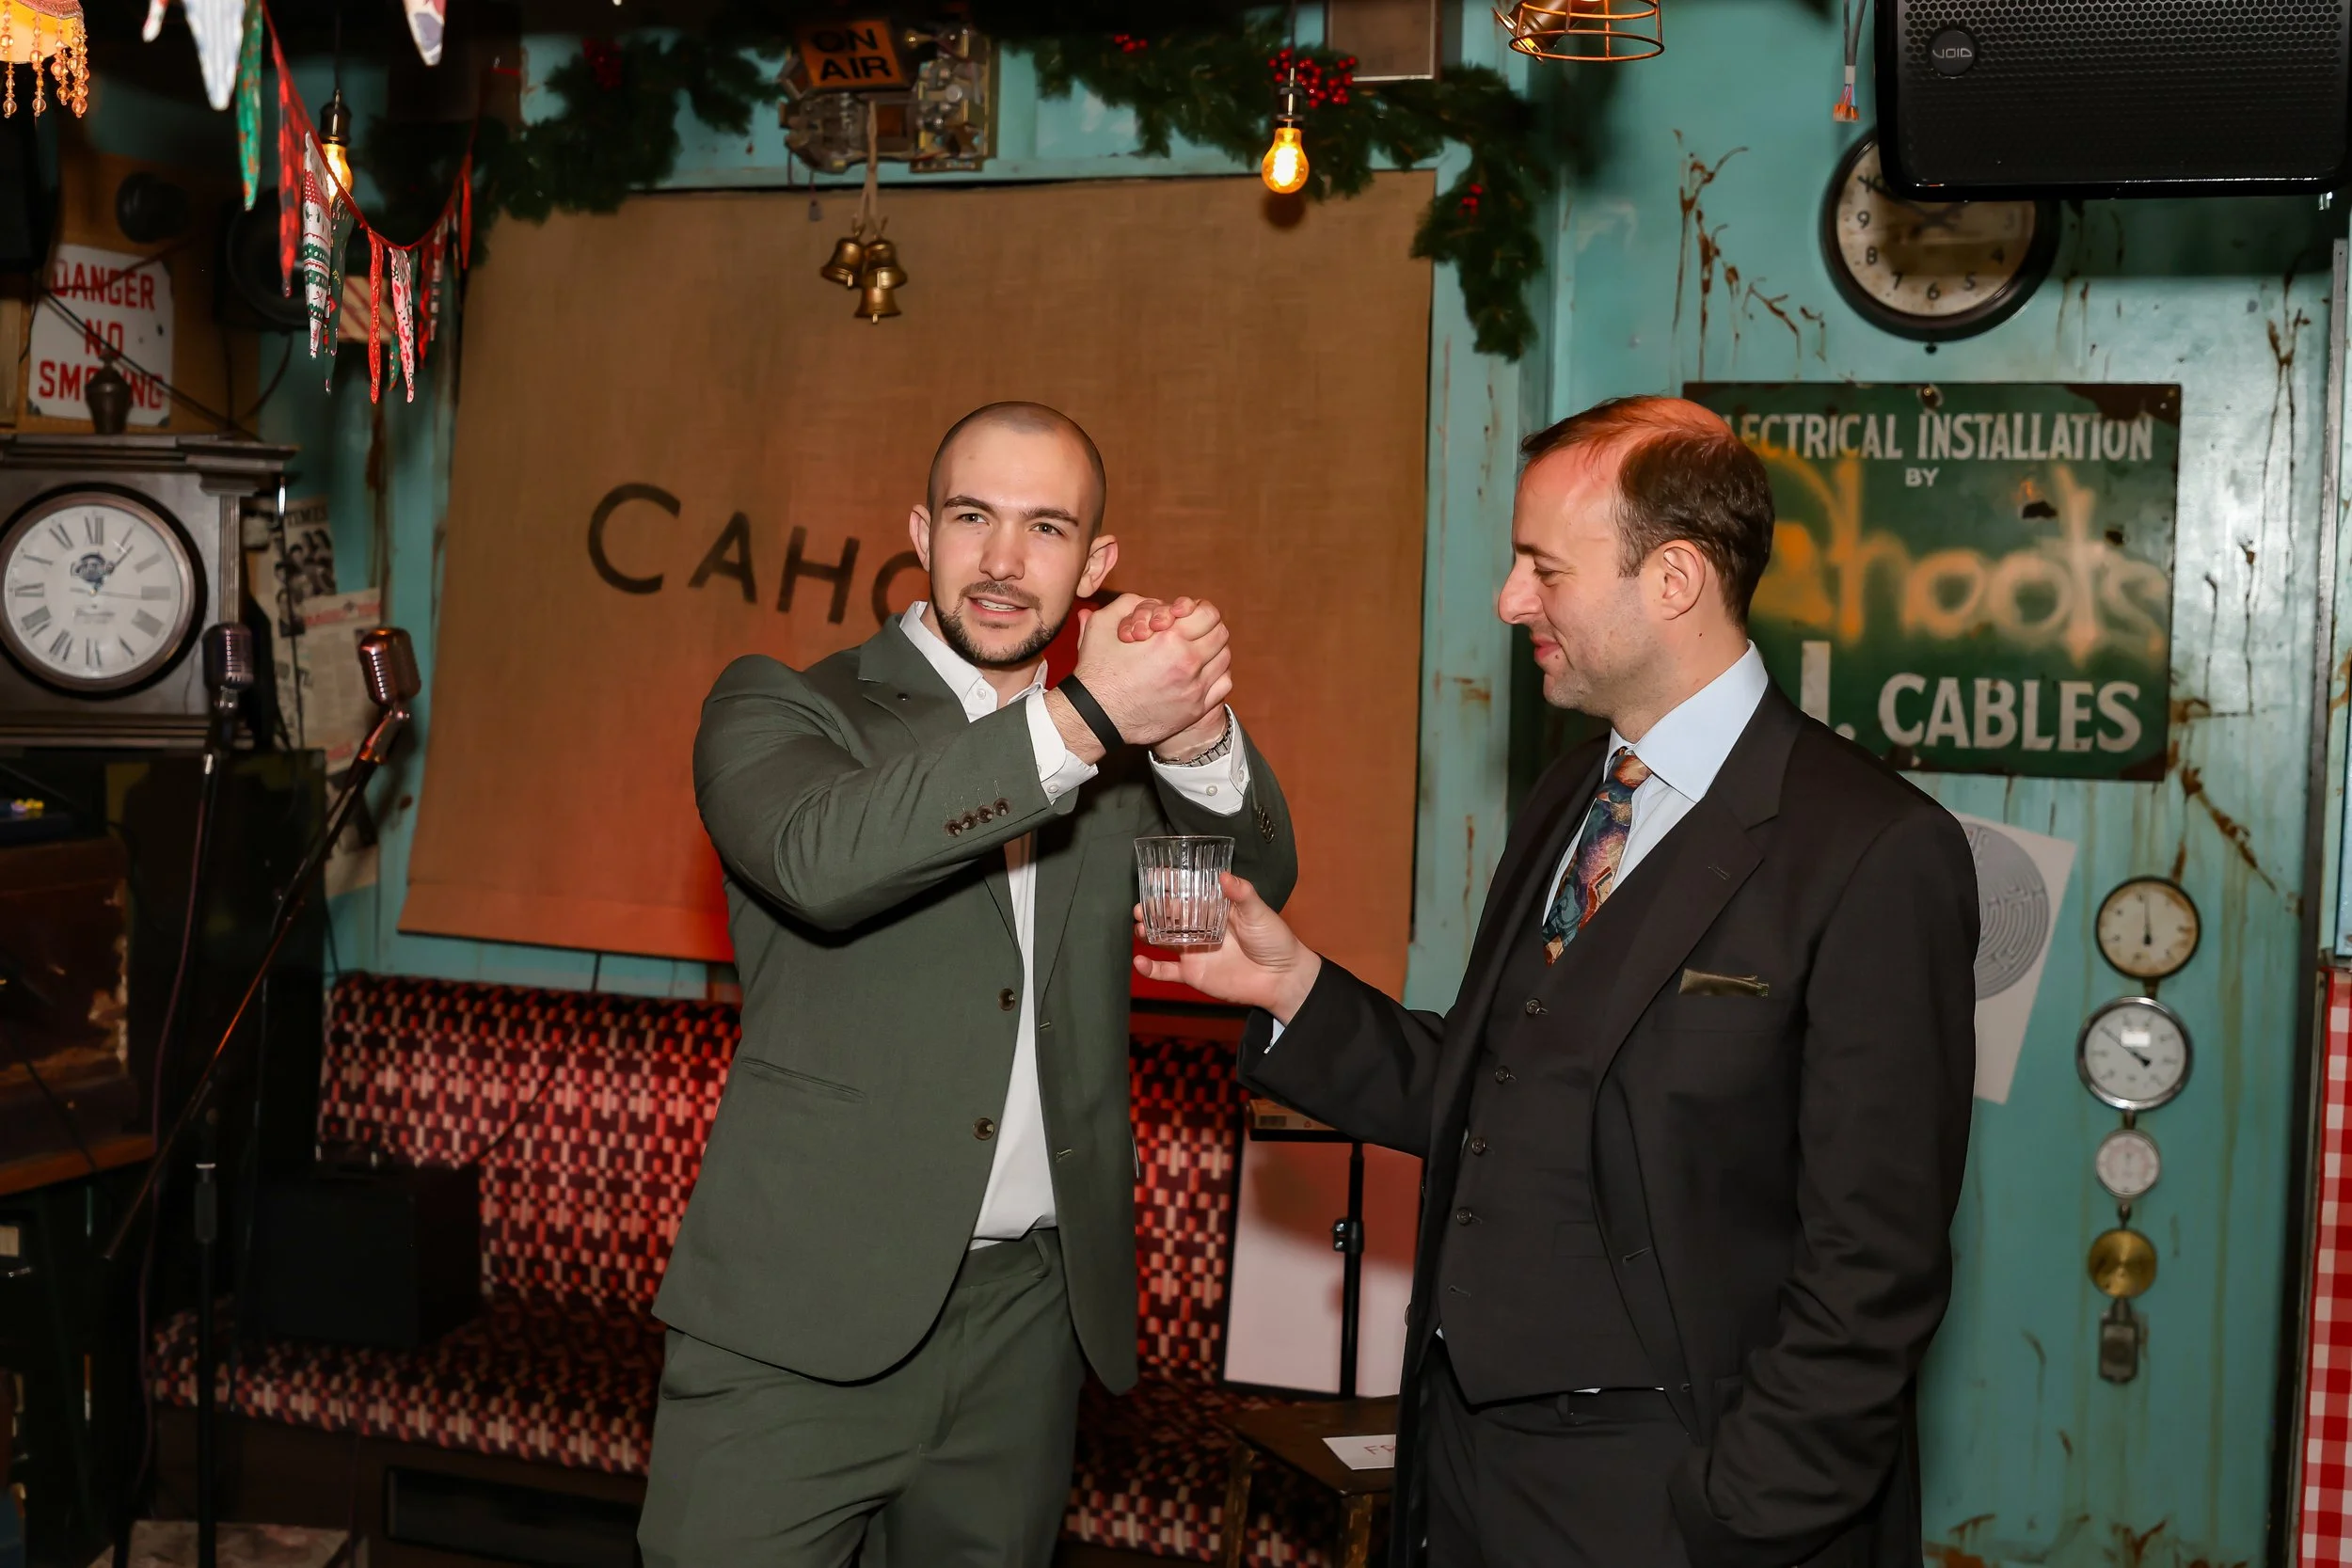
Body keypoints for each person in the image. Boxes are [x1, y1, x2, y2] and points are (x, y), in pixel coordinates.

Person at [1142, 395, 1978, 1568]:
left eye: (1542, 566)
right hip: (1472, 1471)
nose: (1510, 600)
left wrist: (1737, 1513)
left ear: (1675, 576)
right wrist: (1292, 985)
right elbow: (1506, 1089)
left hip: (1676, 1492)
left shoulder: (1873, 849)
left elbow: (1875, 1267)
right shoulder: (1572, 797)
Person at [644, 401, 1298, 1568]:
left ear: (1094, 564)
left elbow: (1251, 886)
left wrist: (1194, 731)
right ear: (919, 532)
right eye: (972, 518)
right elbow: (820, 859)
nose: (1002, 561)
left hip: (1027, 1321)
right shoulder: (785, 705)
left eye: (1046, 528)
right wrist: (1088, 715)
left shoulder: (1117, 754)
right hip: (796, 1322)